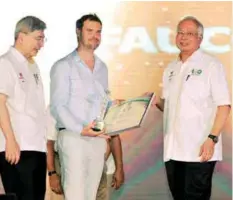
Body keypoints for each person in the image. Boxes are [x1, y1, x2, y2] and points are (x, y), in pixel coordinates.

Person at [154, 16, 231, 200]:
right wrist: (151, 102)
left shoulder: (211, 65)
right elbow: (171, 107)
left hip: (198, 150)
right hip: (173, 151)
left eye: (190, 33)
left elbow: (224, 105)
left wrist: (211, 139)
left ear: (200, 38)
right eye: (180, 32)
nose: (183, 37)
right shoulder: (171, 68)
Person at [50, 14, 124, 200]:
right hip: (74, 137)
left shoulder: (102, 67)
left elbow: (102, 102)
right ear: (78, 32)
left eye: (98, 32)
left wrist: (116, 107)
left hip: (98, 140)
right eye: (89, 31)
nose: (95, 36)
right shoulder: (63, 66)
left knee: (90, 195)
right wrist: (82, 130)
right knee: (75, 194)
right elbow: (57, 107)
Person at [0, 16, 47, 200]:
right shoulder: (6, 63)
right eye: (38, 38)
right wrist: (10, 140)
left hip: (37, 147)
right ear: (21, 37)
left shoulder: (33, 66)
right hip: (17, 149)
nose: (41, 44)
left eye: (43, 39)